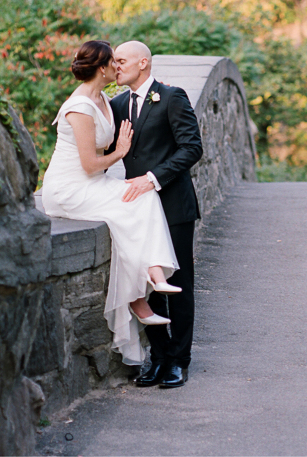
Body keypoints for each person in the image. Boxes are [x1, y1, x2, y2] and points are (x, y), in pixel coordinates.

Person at [41, 40, 182, 368]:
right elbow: (91, 164)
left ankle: (150, 279)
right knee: (131, 203)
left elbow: (140, 106)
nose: (118, 67)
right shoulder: (80, 107)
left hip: (92, 183)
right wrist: (119, 151)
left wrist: (163, 92)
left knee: (141, 194)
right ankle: (139, 295)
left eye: (122, 62)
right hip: (69, 189)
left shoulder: (105, 99)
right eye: (114, 63)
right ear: (102, 68)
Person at [109, 40, 203, 389]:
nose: (115, 67)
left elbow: (192, 147)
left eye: (121, 61)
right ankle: (158, 357)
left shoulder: (172, 96)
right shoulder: (116, 104)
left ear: (143, 63)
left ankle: (180, 359)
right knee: (147, 286)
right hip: (137, 212)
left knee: (177, 283)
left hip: (172, 205)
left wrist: (152, 179)